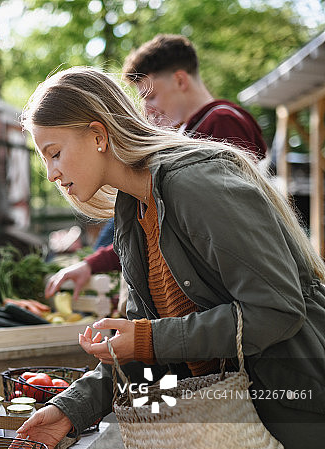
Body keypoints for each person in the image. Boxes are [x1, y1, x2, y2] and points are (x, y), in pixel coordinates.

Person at [15, 66, 325, 449]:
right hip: (235, 431)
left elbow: (276, 310)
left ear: (99, 135)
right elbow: (148, 346)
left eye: (54, 152)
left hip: (298, 414)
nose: (50, 173)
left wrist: (146, 339)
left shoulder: (193, 184)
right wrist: (73, 409)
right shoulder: (130, 211)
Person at [46, 34, 268, 300]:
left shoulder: (220, 123)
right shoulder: (187, 133)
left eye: (151, 97)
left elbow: (223, 228)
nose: (146, 110)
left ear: (180, 80)